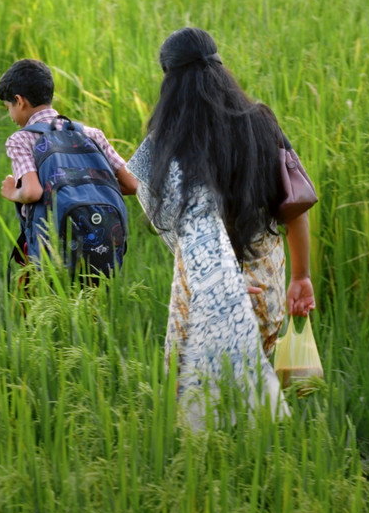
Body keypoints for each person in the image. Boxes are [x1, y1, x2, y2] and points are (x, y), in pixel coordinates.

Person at [125, 27, 316, 430]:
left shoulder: (166, 144)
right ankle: (258, 459)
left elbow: (140, 187)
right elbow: (295, 205)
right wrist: (302, 277)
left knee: (193, 402)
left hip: (201, 287)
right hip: (264, 283)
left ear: (169, 81)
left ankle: (205, 463)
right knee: (251, 398)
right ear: (219, 67)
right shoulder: (261, 124)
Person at [0, 59, 139, 287]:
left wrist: (13, 192)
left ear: (19, 101)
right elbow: (132, 185)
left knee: (42, 303)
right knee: (92, 303)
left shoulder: (21, 140)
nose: (11, 116)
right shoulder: (91, 134)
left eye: (8, 108)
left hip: (50, 251)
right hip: (101, 246)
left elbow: (32, 192)